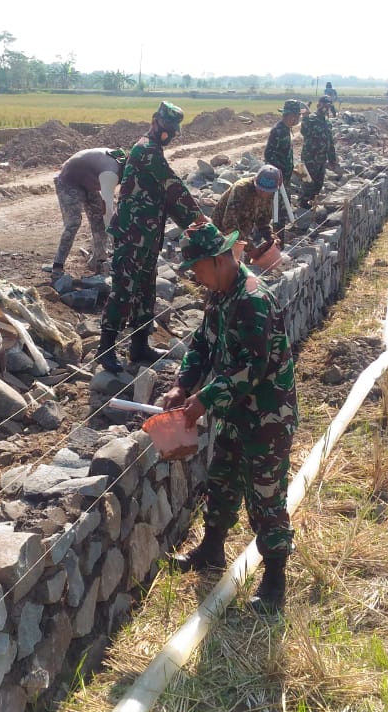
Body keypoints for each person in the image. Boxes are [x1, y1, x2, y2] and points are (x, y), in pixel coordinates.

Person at [162, 221, 299, 614]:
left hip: (267, 415)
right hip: (235, 411)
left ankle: (274, 578)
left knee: (266, 496)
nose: (195, 276)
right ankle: (211, 549)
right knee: (221, 481)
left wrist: (205, 399)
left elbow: (251, 367)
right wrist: (183, 384)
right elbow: (202, 344)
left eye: (198, 268)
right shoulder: (219, 295)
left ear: (221, 260)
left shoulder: (253, 299)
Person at [97, 101, 204, 374]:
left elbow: (168, 199)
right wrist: (201, 222)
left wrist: (191, 225)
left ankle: (139, 345)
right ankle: (105, 349)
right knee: (124, 289)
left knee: (145, 289)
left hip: (147, 235)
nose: (170, 133)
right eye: (167, 127)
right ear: (155, 121)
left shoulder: (154, 150)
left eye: (174, 129)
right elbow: (174, 188)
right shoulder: (146, 150)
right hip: (133, 235)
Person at [51, 147, 127, 279]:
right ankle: (57, 266)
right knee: (73, 223)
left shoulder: (119, 165)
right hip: (68, 180)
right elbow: (108, 210)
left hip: (88, 181)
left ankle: (99, 260)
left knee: (98, 220)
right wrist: (117, 243)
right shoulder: (111, 173)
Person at [210, 165, 282, 260]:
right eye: (260, 190)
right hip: (221, 233)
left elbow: (263, 221)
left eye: (267, 191)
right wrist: (250, 249)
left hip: (242, 232)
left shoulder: (270, 194)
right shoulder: (241, 189)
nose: (263, 194)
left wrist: (270, 238)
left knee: (236, 264)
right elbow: (229, 224)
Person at [264, 99, 301, 232]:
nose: (299, 119)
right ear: (292, 115)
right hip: (277, 179)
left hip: (284, 178)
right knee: (278, 212)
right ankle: (276, 240)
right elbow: (268, 155)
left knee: (283, 210)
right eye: (298, 115)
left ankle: (279, 237)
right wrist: (280, 170)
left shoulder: (287, 130)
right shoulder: (278, 131)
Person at [298, 96, 341, 209]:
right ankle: (303, 211)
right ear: (319, 105)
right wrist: (305, 117)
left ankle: (312, 209)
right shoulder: (311, 119)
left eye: (328, 106)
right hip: (309, 160)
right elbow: (304, 132)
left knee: (318, 186)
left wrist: (332, 159)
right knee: (308, 187)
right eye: (324, 105)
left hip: (321, 160)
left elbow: (330, 142)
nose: (326, 108)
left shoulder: (326, 122)